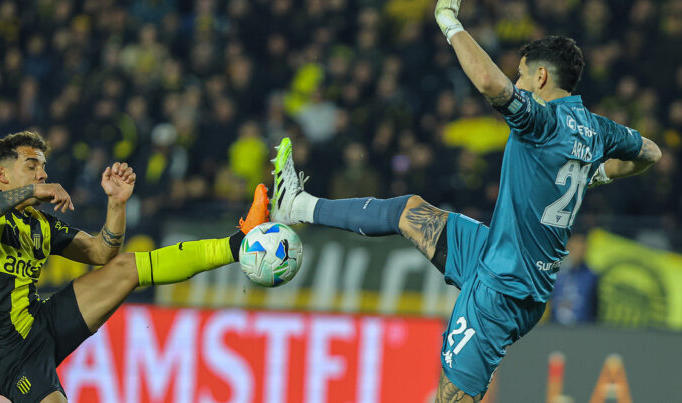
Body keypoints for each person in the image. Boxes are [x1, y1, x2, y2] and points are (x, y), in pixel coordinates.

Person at [269, 1, 662, 401]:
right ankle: (297, 206)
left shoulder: (543, 121)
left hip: (503, 292)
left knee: (451, 396)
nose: (518, 82)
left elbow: (491, 85)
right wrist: (594, 173)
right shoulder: (596, 128)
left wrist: (448, 21)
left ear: (541, 76)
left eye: (522, 74)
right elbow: (650, 153)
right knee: (409, 211)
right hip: (497, 254)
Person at [0, 131, 269, 402]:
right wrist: (33, 190)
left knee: (126, 267)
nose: (43, 175)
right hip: (6, 354)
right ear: (2, 176)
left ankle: (238, 243)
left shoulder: (40, 224)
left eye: (43, 168)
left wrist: (116, 204)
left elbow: (102, 251)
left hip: (41, 322)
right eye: (32, 166)